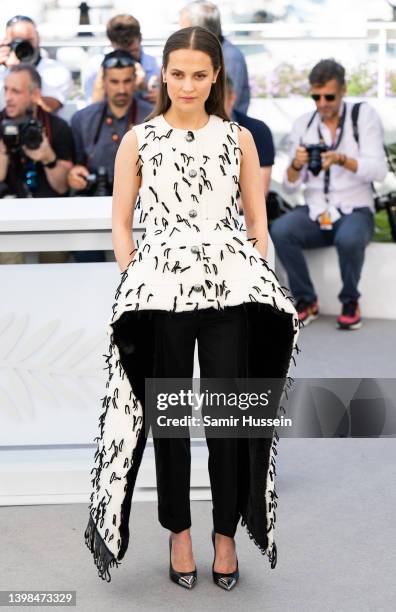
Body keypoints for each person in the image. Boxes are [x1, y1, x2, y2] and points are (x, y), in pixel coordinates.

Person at [84, 26, 299, 588]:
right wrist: (133, 270)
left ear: (216, 76)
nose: (187, 84)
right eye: (177, 74)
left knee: (228, 418)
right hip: (161, 295)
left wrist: (252, 274)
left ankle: (224, 535)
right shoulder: (140, 139)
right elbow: (120, 219)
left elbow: (257, 222)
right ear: (163, 75)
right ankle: (179, 533)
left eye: (199, 74)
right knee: (171, 420)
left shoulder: (239, 139)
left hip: (230, 291)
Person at [270, 59, 388, 330]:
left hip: (355, 208)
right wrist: (297, 164)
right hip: (315, 210)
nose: (322, 103)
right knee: (281, 231)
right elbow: (290, 186)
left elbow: (379, 171)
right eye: (316, 96)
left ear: (343, 90)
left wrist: (341, 159)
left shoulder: (363, 117)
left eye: (329, 96)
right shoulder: (303, 124)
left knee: (348, 238)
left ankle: (350, 300)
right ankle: (306, 300)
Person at [69, 49, 152, 263]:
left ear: (135, 81)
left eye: (127, 81)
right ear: (103, 81)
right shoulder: (82, 120)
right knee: (86, 258)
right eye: (114, 81)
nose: (121, 89)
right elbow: (75, 166)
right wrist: (75, 175)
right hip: (93, 207)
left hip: (142, 209)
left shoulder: (153, 117)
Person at [0, 64, 73, 198]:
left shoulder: (57, 127)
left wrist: (49, 159)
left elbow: (63, 188)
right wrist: (3, 153)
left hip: (47, 208)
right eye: (6, 90)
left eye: (16, 91)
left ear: (36, 95)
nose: (8, 98)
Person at [179, 1, 250, 113]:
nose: (180, 35)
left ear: (201, 30)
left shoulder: (229, 57)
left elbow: (225, 105)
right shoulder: (202, 53)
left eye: (184, 30)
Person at [83, 14, 160, 107]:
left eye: (132, 51)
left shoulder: (158, 66)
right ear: (112, 43)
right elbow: (91, 112)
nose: (128, 59)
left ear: (140, 39)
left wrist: (158, 96)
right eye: (122, 53)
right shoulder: (95, 67)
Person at [0, 15, 72, 113]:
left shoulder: (55, 70)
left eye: (28, 40)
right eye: (17, 41)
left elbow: (48, 108)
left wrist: (17, 72)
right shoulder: (2, 69)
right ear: (6, 42)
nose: (24, 47)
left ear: (37, 38)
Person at [224, 74, 274, 202]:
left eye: (219, 100)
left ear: (232, 98)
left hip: (240, 215)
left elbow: (259, 194)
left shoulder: (257, 131)